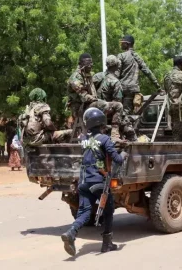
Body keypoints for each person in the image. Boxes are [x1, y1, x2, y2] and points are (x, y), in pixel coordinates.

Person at [61, 108, 124, 256]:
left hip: (83, 182)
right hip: (98, 182)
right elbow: (117, 159)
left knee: (84, 212)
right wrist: (124, 154)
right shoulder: (104, 139)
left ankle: (71, 232)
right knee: (108, 211)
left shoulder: (83, 139)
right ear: (101, 122)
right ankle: (107, 244)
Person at [67, 53, 123, 141]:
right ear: (81, 63)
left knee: (118, 105)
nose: (91, 65)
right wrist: (97, 100)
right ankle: (101, 131)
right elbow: (84, 96)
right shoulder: (75, 77)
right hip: (80, 108)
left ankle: (114, 134)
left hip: (89, 105)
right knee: (104, 104)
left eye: (91, 63)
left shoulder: (88, 75)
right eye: (88, 63)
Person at [117, 35, 163, 115]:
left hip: (122, 89)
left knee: (122, 112)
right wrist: (158, 87)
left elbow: (115, 72)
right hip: (134, 90)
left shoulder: (121, 56)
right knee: (131, 111)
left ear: (127, 44)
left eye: (122, 43)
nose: (121, 45)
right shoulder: (137, 57)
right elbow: (148, 72)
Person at [98, 55, 137, 141]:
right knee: (129, 128)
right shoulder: (115, 82)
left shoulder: (97, 77)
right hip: (108, 112)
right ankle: (133, 146)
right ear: (116, 66)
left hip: (96, 109)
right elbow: (117, 103)